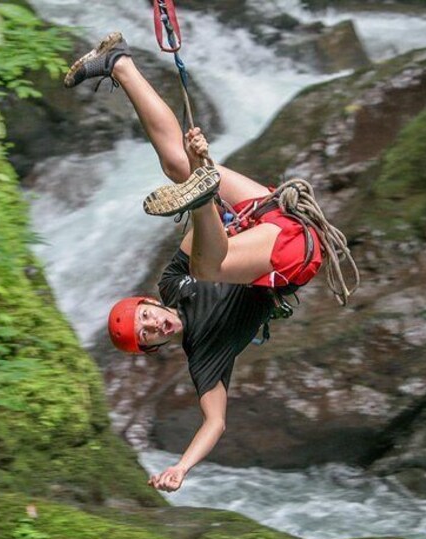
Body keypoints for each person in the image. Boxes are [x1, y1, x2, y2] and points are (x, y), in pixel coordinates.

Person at [66, 32, 331, 493]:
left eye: (146, 317)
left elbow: (206, 239)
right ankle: (202, 186)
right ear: (154, 348)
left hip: (272, 213)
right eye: (148, 335)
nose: (154, 326)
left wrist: (198, 163)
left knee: (176, 166)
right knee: (207, 260)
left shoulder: (171, 281)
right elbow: (215, 423)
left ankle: (119, 63)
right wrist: (181, 468)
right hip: (294, 254)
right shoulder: (205, 355)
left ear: (150, 302)